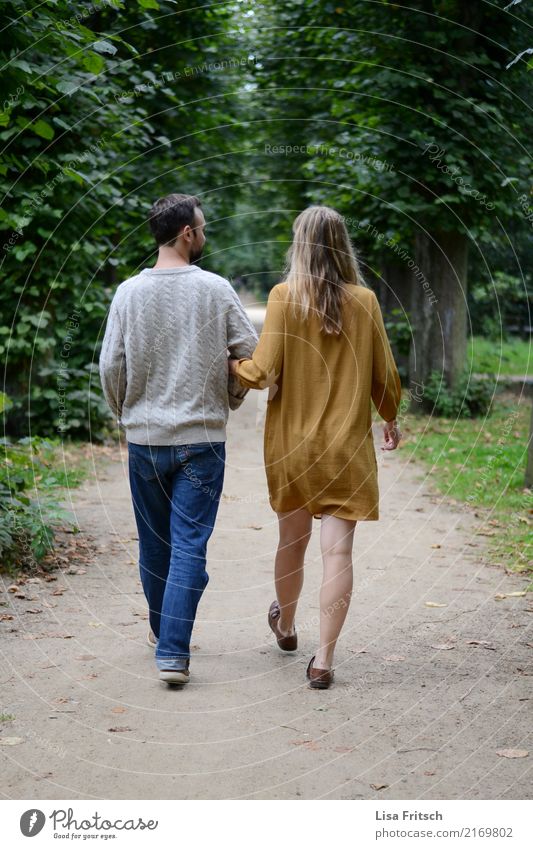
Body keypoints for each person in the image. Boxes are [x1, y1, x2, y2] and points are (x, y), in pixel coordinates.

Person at [229, 205, 402, 690]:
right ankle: (323, 660)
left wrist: (230, 366)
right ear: (343, 244)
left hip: (292, 448)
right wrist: (389, 416)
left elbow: (260, 372)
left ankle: (285, 627)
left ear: (299, 245)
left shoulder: (284, 297)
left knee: (292, 542)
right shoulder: (365, 301)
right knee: (338, 554)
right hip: (346, 448)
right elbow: (384, 376)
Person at [99, 193, 258, 685]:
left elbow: (110, 364)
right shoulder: (215, 289)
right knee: (190, 546)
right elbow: (250, 355)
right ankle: (173, 649)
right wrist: (229, 395)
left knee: (155, 544)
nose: (205, 235)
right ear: (187, 233)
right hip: (202, 441)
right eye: (203, 228)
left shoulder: (128, 292)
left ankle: (162, 628)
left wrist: (125, 412)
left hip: (146, 440)